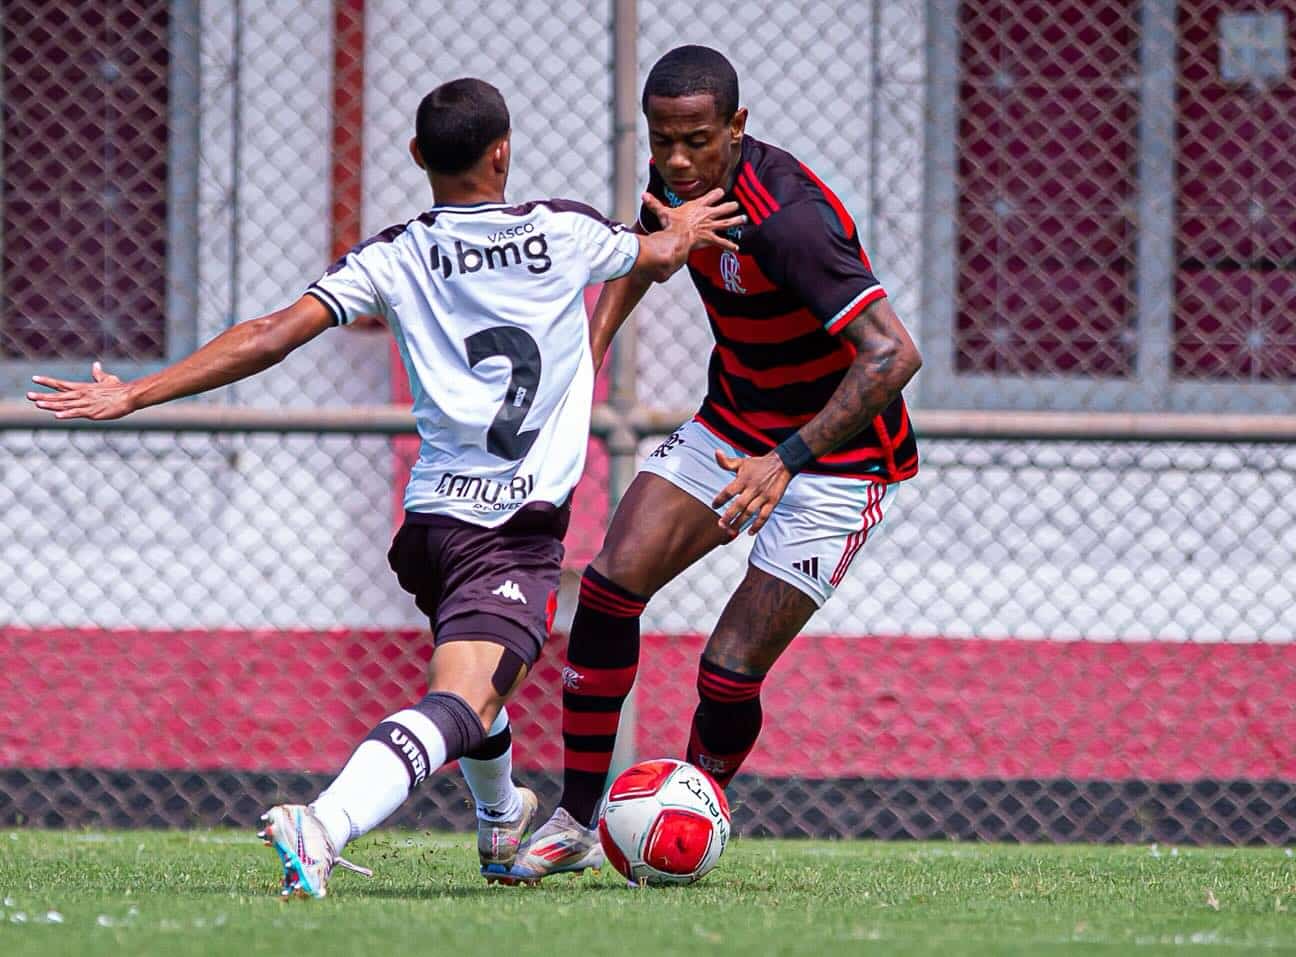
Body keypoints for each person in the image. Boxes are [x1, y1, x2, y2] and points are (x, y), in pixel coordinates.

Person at [25, 77, 741, 899]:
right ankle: (323, 822)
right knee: (465, 695)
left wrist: (135, 391)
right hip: (508, 528)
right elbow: (654, 254)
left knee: (482, 679)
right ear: (503, 151)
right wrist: (683, 223)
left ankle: (503, 820)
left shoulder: (393, 255)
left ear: (415, 157)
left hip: (432, 525)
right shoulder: (562, 230)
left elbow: (268, 336)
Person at [497, 46, 921, 883]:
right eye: (663, 140)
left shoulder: (790, 219)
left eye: (696, 139)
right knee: (611, 583)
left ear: (737, 125)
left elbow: (891, 356)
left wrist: (787, 459)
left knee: (726, 668)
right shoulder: (677, 187)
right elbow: (645, 256)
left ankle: (688, 820)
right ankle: (578, 818)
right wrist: (585, 359)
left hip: (837, 459)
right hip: (730, 424)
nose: (679, 160)